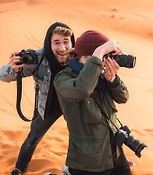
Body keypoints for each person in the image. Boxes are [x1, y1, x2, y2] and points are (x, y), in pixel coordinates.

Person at [0, 22, 75, 175]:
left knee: (79, 135)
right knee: (33, 137)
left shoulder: (79, 57)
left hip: (72, 103)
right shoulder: (37, 58)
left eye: (66, 42)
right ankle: (19, 168)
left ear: (72, 42)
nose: (62, 48)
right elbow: (1, 76)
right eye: (56, 42)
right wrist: (12, 69)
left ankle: (72, 167)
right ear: (48, 43)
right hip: (48, 105)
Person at [54, 30, 132, 175]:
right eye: (102, 57)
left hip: (114, 153)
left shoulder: (101, 75)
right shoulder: (63, 79)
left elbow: (124, 97)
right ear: (85, 57)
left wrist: (112, 79)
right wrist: (100, 52)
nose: (104, 62)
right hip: (87, 163)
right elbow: (82, 89)